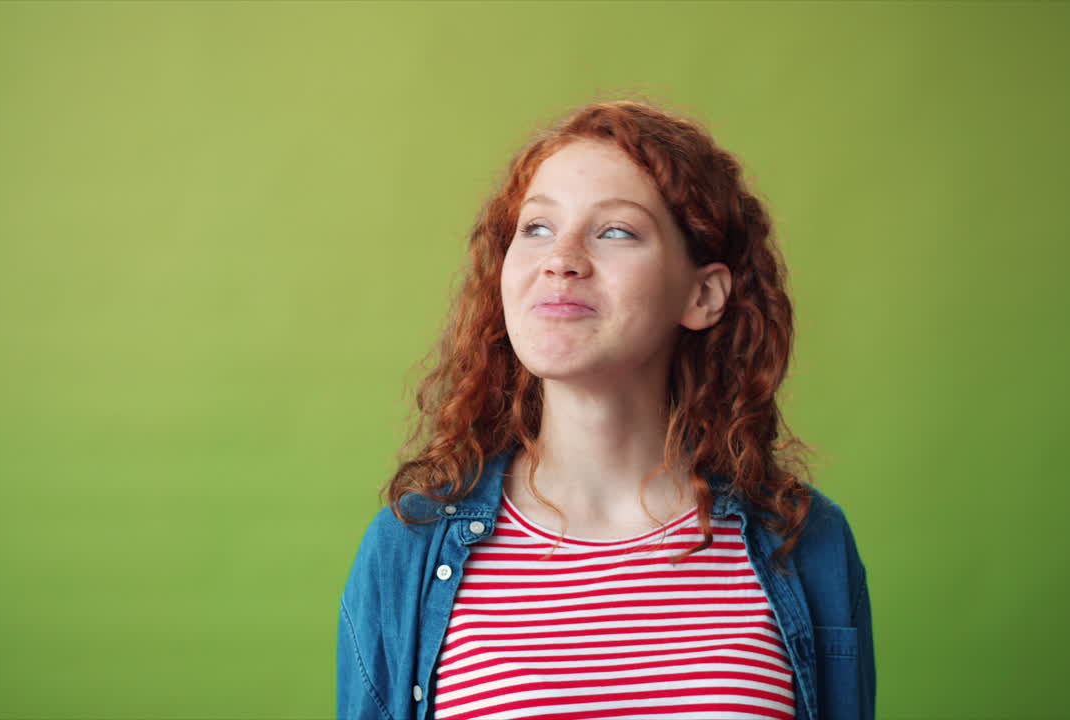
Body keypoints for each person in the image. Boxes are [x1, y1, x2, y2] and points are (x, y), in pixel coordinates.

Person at [336, 99, 874, 720]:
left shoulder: (805, 544)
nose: (559, 258)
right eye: (535, 228)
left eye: (615, 230)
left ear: (702, 295)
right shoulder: (409, 548)